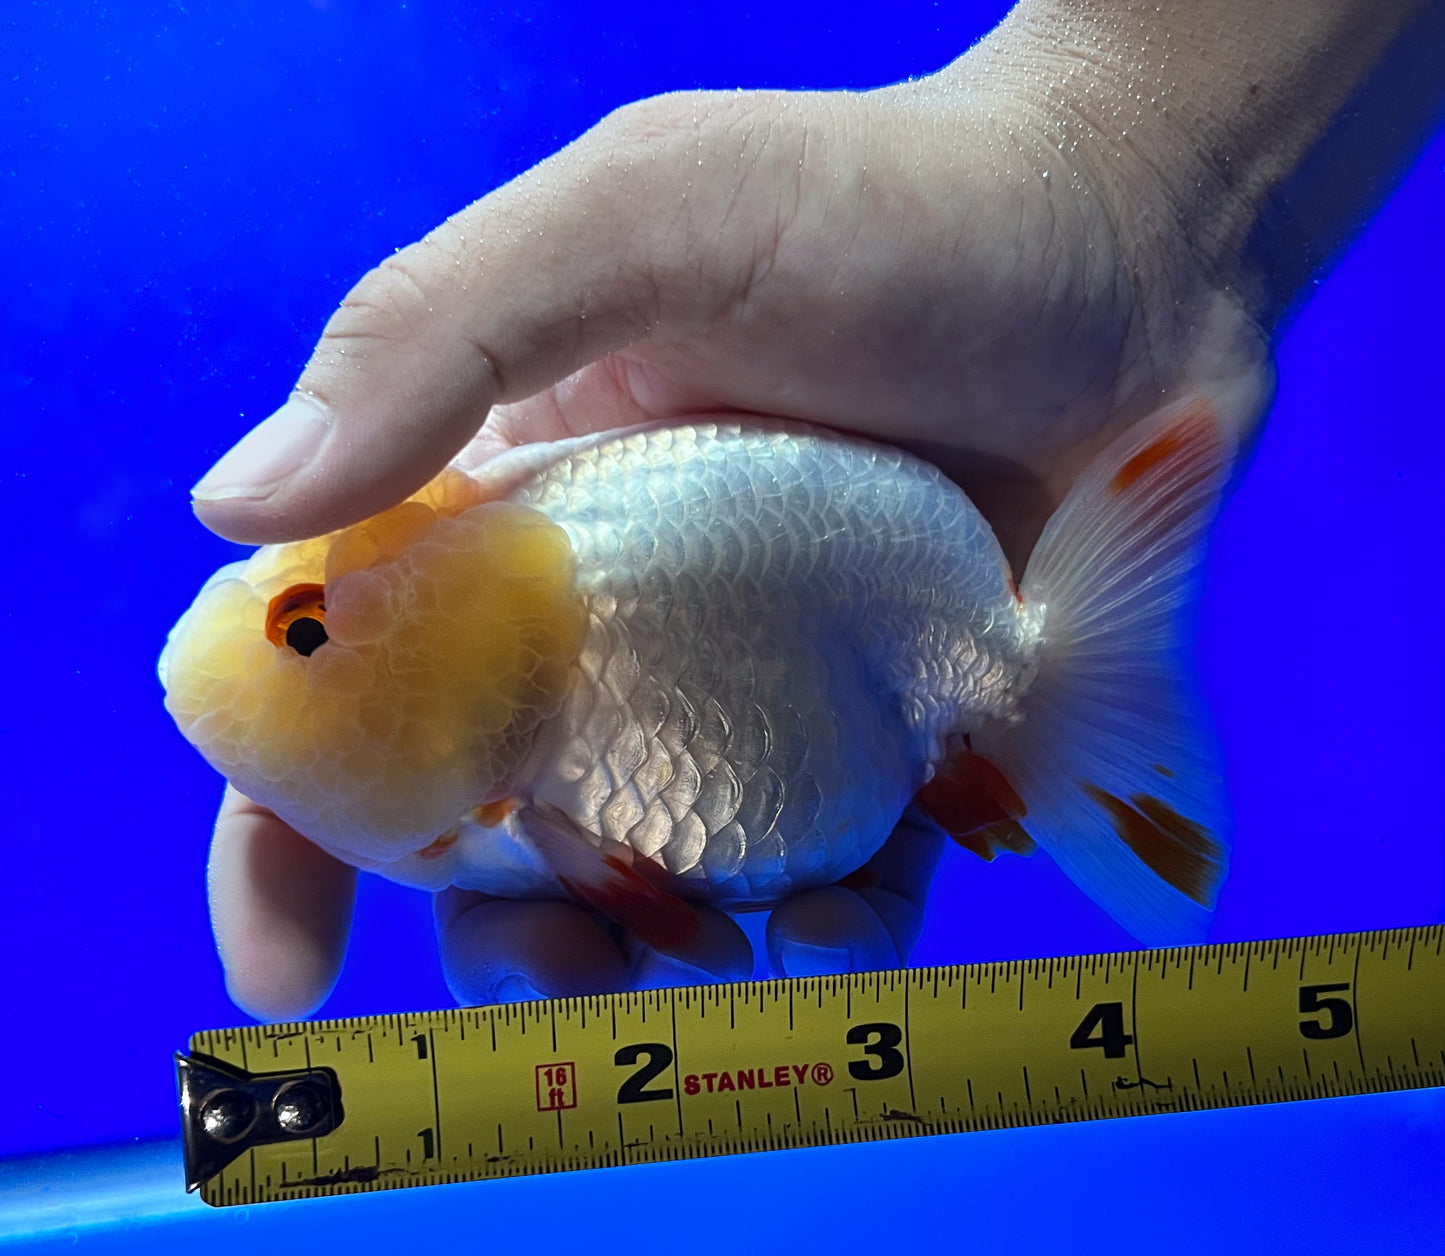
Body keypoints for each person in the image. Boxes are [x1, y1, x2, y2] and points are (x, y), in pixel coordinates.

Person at [190, 0, 1445, 1020]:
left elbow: (661, 909)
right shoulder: (507, 679)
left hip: (922, 590)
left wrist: (1130, 195)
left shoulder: (518, 696)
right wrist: (1152, 206)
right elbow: (655, 904)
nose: (293, 632)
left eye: (306, 626)